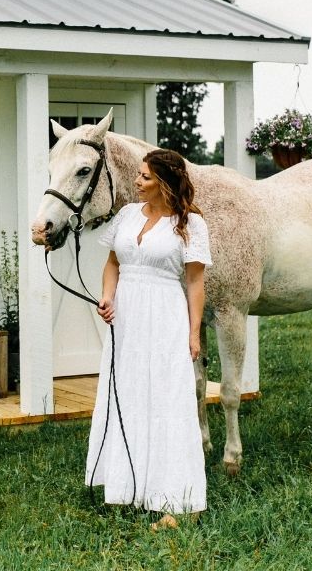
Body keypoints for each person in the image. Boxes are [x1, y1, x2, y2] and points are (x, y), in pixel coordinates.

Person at [85, 148, 211, 529]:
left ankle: (174, 499)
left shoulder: (190, 225)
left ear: (165, 184)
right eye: (138, 176)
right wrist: (107, 297)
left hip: (165, 316)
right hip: (126, 318)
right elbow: (112, 264)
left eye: (145, 178)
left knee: (166, 399)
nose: (136, 183)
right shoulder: (126, 216)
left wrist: (193, 332)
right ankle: (125, 486)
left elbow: (195, 281)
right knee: (126, 392)